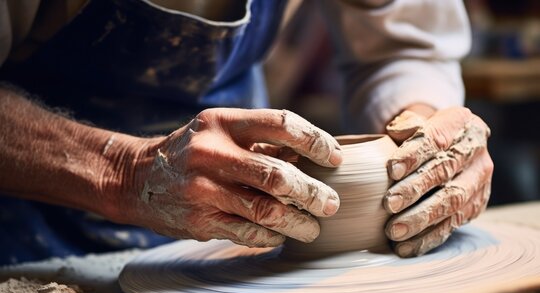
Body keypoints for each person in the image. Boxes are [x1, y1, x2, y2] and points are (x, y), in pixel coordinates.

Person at [0, 0, 493, 265]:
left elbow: (400, 44)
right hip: (31, 227)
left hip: (238, 229)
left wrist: (423, 129)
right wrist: (122, 171)